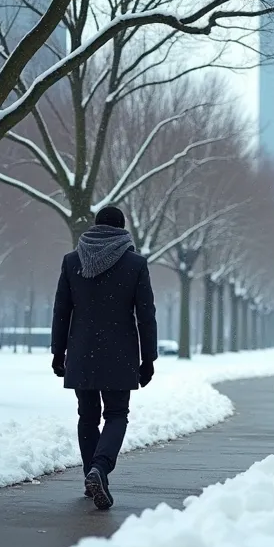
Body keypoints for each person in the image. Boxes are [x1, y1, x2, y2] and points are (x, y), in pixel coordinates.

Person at [51, 206, 158, 511]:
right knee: (116, 414)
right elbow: (146, 314)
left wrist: (58, 351)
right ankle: (100, 468)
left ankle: (91, 474)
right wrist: (148, 358)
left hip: (82, 350)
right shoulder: (135, 264)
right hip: (120, 352)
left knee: (87, 416)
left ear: (95, 226)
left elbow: (62, 310)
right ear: (122, 229)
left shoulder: (72, 261)